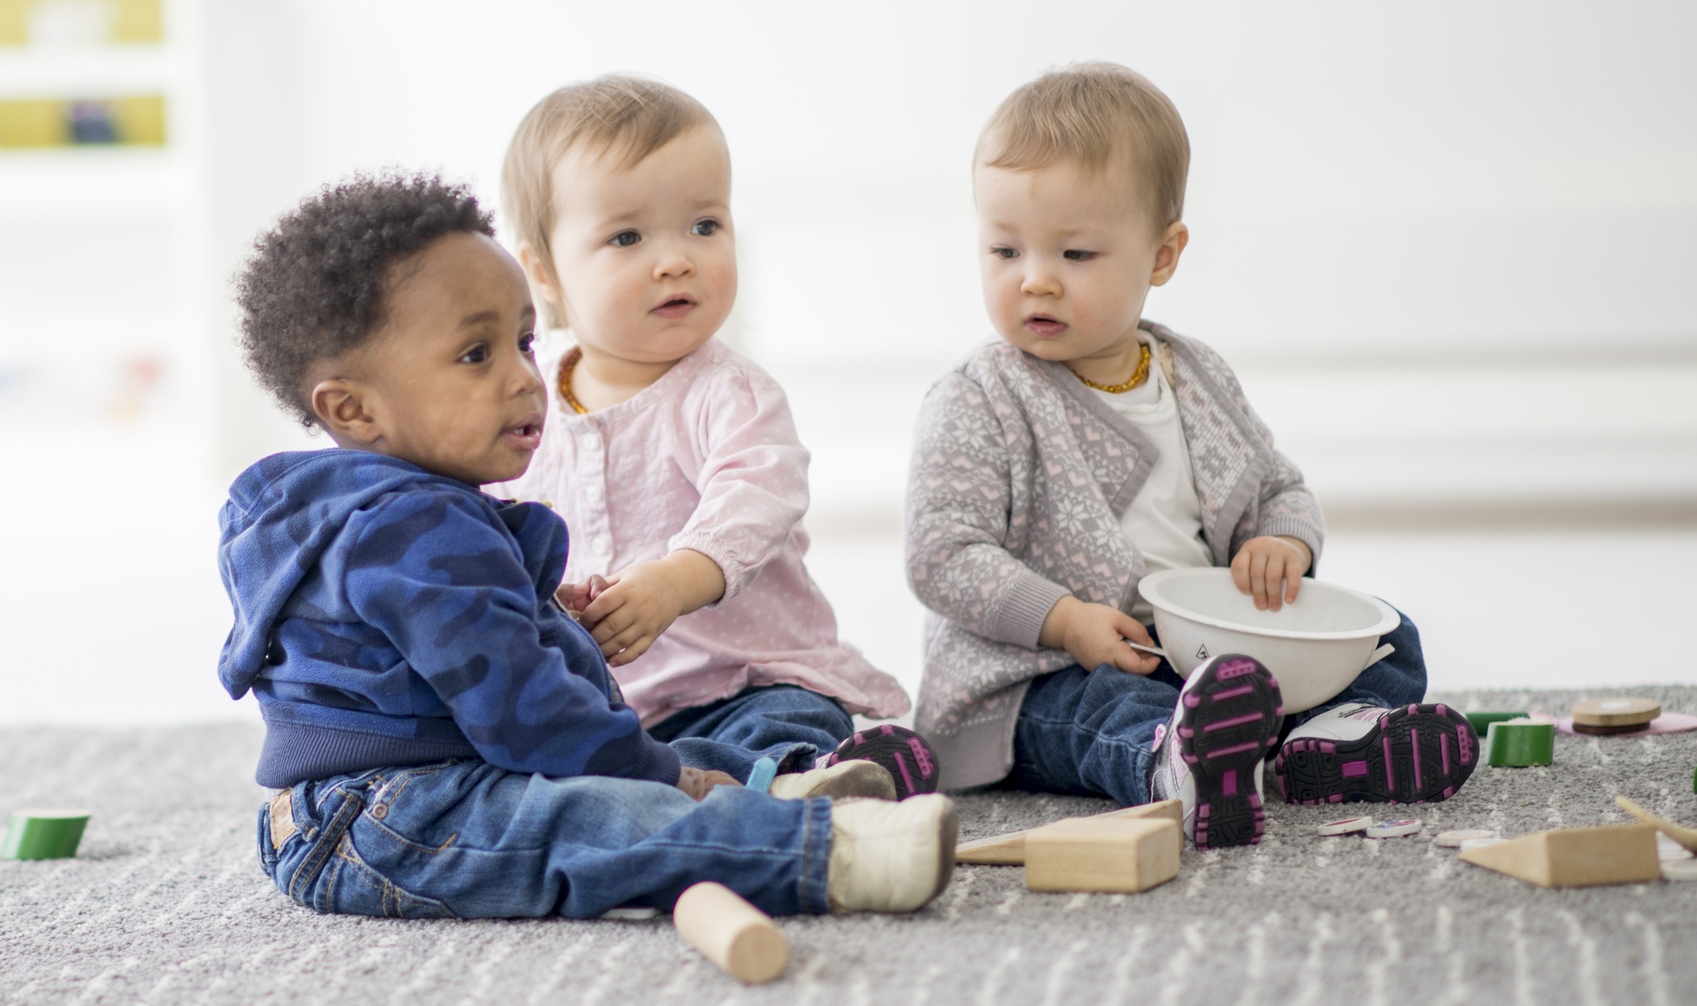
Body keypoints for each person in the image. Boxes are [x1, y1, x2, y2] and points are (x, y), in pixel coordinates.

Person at [217, 171, 955, 918]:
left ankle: (779, 783)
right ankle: (822, 848)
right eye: (476, 355)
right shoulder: (410, 530)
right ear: (352, 406)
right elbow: (526, 713)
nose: (523, 377)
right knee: (588, 818)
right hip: (384, 818)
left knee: (644, 755)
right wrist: (659, 778)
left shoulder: (375, 512)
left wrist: (544, 617)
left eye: (524, 340)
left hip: (418, 783)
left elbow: (441, 660)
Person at [906, 63, 1476, 848]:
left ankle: (1331, 742)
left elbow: (1278, 487)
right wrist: (1065, 621)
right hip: (1040, 673)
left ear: (1162, 255)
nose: (1034, 279)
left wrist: (1280, 543)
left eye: (1074, 254)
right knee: (1106, 706)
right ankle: (1174, 762)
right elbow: (940, 554)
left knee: (1388, 636)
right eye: (1004, 250)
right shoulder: (980, 395)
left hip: (1196, 655)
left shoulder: (1195, 374)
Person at [493, 76, 936, 799]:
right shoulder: (518, 401)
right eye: (627, 236)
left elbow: (755, 495)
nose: (676, 259)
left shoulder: (728, 391)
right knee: (541, 754)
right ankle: (699, 787)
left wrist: (674, 579)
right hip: (608, 700)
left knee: (788, 715)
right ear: (543, 272)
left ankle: (808, 778)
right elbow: (487, 521)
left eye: (704, 225)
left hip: (743, 676)